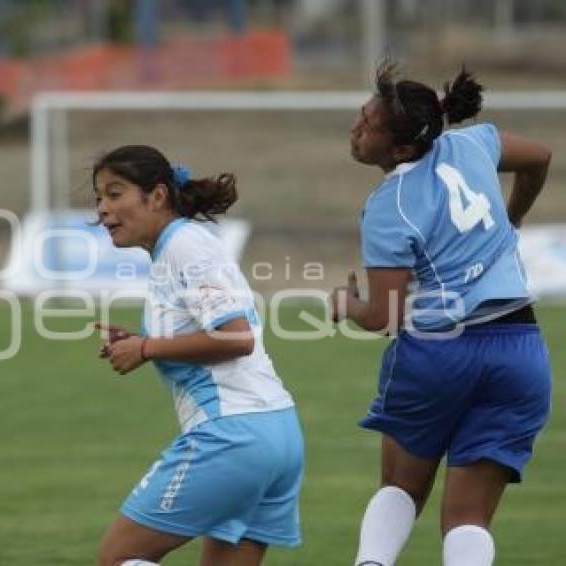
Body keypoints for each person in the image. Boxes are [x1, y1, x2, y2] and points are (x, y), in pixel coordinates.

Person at [332, 63, 552, 566]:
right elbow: (539, 158)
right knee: (468, 519)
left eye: (368, 125)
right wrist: (515, 214)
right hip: (519, 352)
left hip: (439, 352)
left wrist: (347, 306)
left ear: (403, 150)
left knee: (401, 488)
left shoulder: (390, 205)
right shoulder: (472, 144)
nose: (355, 128)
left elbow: (384, 318)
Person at [93, 145, 304, 566]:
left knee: (118, 558)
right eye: (98, 198)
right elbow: (215, 332)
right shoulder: (180, 247)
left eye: (115, 194)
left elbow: (235, 339)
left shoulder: (183, 247)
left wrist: (148, 348)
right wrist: (141, 343)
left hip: (232, 435)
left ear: (157, 196)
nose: (102, 209)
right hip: (277, 432)